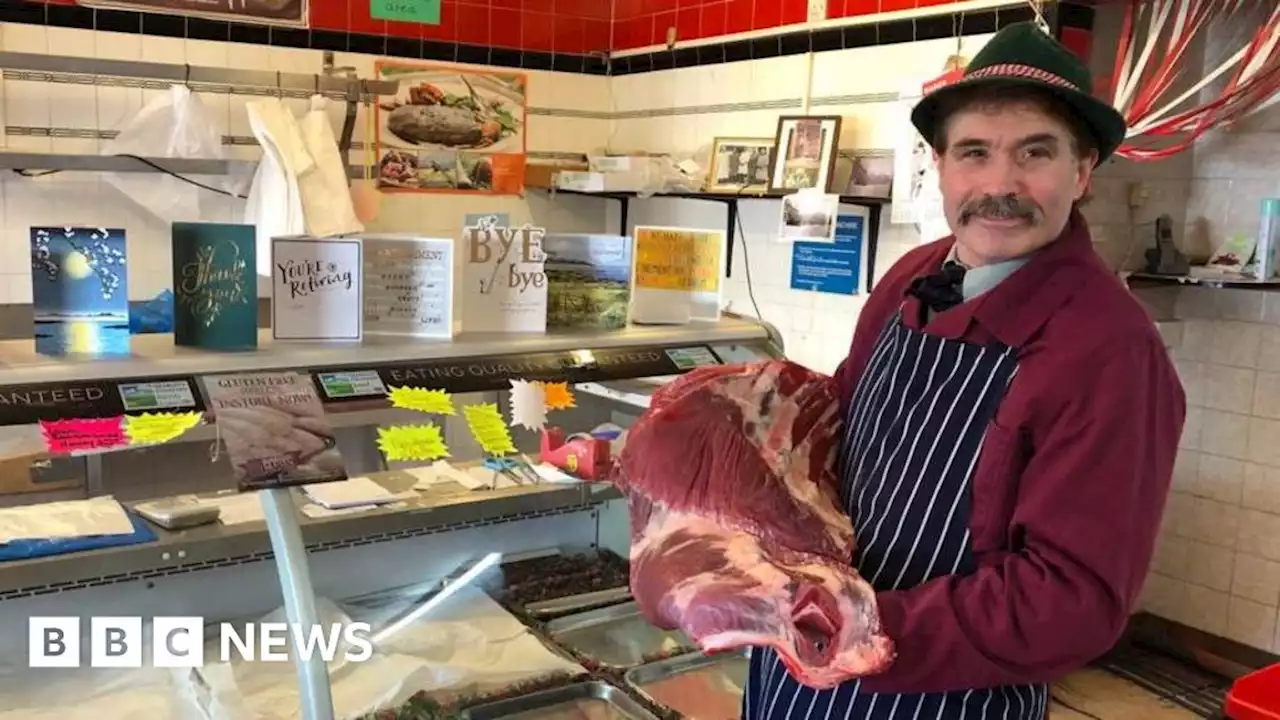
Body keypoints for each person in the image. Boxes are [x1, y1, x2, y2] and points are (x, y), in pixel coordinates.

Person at [743, 21, 1185, 720]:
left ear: (1082, 170)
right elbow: (841, 436)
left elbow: (1071, 600)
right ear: (941, 168)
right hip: (800, 671)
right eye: (974, 153)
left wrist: (858, 632)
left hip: (946, 697)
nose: (999, 185)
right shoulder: (911, 277)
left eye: (1034, 153)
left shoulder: (1110, 350)